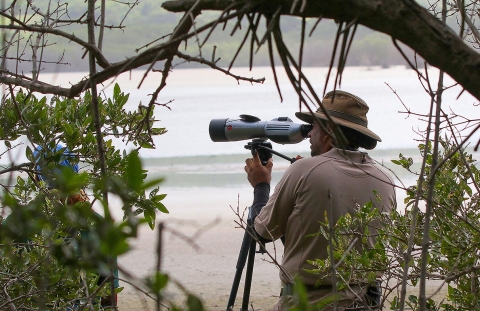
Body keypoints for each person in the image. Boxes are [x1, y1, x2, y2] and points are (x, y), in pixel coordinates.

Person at [244, 90, 396, 310]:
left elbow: (260, 233)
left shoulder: (305, 170)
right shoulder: (384, 179)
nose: (308, 134)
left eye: (313, 126)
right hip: (365, 303)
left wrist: (261, 185)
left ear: (329, 131)